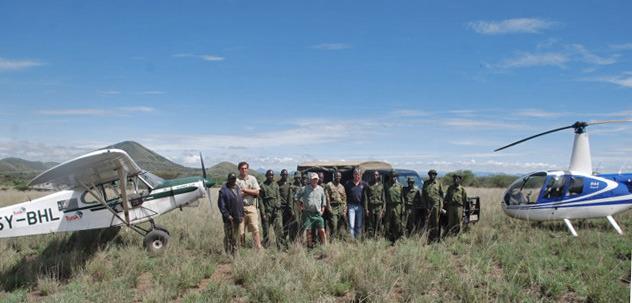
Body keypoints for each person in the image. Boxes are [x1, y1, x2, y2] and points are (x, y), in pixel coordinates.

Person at [235, 161, 262, 249]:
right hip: (240, 208)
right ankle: (242, 248)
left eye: (245, 168)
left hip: (251, 207)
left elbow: (257, 192)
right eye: (242, 168)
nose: (244, 170)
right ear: (239, 169)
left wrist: (244, 190)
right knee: (240, 230)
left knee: (255, 228)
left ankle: (258, 247)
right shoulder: (236, 180)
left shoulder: (252, 179)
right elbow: (236, 195)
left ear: (248, 169)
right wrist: (250, 191)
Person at [217, 173, 244, 255]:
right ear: (228, 179)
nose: (233, 180)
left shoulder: (237, 188)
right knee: (229, 236)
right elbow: (221, 205)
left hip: (238, 217)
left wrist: (242, 214)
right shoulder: (223, 190)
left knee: (236, 236)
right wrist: (227, 215)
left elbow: (240, 202)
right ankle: (228, 253)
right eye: (231, 179)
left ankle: (235, 253)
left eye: (234, 179)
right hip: (229, 218)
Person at [299, 173, 327, 247]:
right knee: (309, 231)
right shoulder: (304, 189)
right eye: (313, 179)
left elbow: (323, 201)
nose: (315, 181)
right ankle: (310, 247)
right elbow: (296, 197)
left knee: (322, 230)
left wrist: (322, 210)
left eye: (316, 179)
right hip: (307, 213)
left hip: (317, 214)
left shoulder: (321, 189)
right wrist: (300, 207)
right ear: (310, 180)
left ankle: (324, 246)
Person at [259, 170, 285, 249]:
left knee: (279, 230)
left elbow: (278, 197)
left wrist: (278, 204)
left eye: (272, 175)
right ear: (266, 176)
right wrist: (263, 213)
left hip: (276, 212)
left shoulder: (276, 185)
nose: (271, 176)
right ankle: (266, 247)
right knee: (266, 231)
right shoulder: (262, 186)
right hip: (267, 212)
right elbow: (260, 201)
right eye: (269, 175)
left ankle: (280, 247)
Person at [422, 169, 444, 242]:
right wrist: (425, 206)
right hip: (428, 206)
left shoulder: (438, 184)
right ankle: (429, 238)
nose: (432, 176)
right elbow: (423, 196)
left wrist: (441, 207)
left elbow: (441, 196)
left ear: (435, 175)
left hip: (436, 206)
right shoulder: (425, 183)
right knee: (428, 223)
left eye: (434, 174)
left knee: (436, 223)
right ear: (429, 175)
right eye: (431, 174)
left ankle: (436, 238)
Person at [345, 168, 368, 240]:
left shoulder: (364, 184)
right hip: (351, 206)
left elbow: (369, 193)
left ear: (361, 175)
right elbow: (345, 195)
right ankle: (352, 240)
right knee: (351, 225)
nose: (357, 176)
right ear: (353, 175)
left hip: (360, 206)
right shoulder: (348, 183)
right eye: (356, 174)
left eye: (358, 175)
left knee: (359, 225)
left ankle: (358, 239)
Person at [325, 171, 347, 240]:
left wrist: (344, 208)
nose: (338, 177)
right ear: (334, 176)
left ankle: (340, 240)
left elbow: (344, 198)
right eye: (337, 176)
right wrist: (329, 208)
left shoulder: (342, 187)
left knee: (341, 225)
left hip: (340, 208)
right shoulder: (329, 185)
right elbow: (326, 197)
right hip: (333, 207)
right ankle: (332, 240)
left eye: (339, 176)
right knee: (334, 225)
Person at [364, 171, 386, 238]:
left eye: (376, 175)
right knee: (371, 223)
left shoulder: (381, 185)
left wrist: (383, 209)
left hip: (379, 207)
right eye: (374, 175)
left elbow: (384, 199)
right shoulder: (368, 185)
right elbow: (366, 198)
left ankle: (378, 237)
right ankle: (371, 237)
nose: (375, 176)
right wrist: (366, 209)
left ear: (378, 176)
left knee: (379, 223)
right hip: (371, 207)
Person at [385, 170, 404, 243]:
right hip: (389, 206)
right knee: (388, 223)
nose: (393, 178)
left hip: (397, 206)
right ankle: (389, 239)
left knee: (397, 223)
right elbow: (384, 196)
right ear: (390, 177)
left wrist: (403, 208)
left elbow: (402, 198)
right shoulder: (386, 185)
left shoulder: (400, 186)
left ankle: (397, 238)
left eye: (394, 176)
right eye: (392, 176)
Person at [278, 169, 294, 246]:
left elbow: (290, 198)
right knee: (280, 226)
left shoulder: (289, 185)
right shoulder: (277, 184)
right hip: (279, 208)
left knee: (286, 226)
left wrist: (291, 210)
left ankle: (284, 241)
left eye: (286, 175)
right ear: (281, 175)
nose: (285, 176)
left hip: (287, 209)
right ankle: (280, 242)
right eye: (284, 174)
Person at [289, 171, 303, 241]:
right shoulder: (292, 187)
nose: (298, 179)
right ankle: (293, 239)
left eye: (299, 178)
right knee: (295, 222)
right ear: (294, 178)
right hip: (294, 205)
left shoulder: (302, 186)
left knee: (301, 223)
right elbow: (290, 199)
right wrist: (292, 210)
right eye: (297, 178)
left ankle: (300, 239)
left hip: (301, 205)